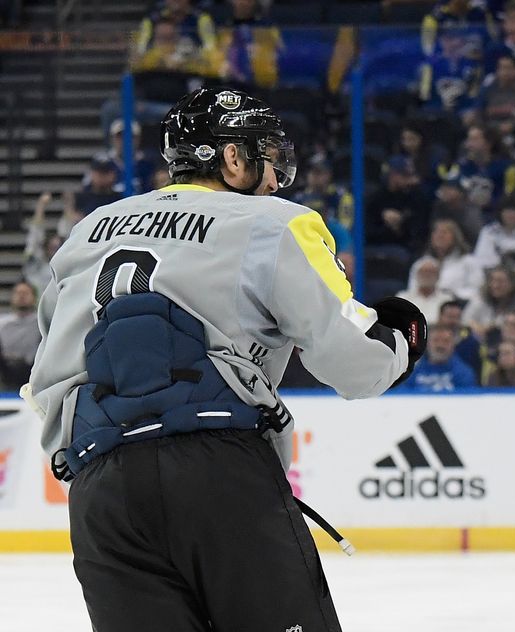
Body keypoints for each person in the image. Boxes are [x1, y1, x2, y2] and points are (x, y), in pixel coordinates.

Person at [25, 88, 426, 632]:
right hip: (220, 473)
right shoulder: (275, 223)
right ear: (232, 157)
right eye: (264, 153)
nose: (275, 173)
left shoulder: (86, 232)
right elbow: (357, 365)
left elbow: (47, 372)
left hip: (102, 492)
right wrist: (403, 335)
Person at [402, 324, 477, 392]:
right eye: (436, 340)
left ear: (453, 345)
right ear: (427, 344)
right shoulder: (412, 373)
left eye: (446, 341)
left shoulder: (464, 373)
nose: (440, 345)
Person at [0, 281, 42, 391]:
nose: (21, 296)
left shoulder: (42, 323)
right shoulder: (2, 324)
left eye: (26, 293)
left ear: (34, 297)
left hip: (34, 376)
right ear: (12, 297)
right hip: (6, 377)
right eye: (18, 293)